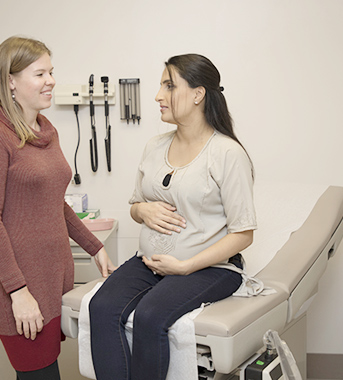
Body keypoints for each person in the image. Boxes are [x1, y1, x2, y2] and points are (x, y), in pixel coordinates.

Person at [89, 54, 257, 380]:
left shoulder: (226, 154)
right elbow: (135, 206)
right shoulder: (154, 146)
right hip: (151, 263)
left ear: (198, 94)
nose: (157, 96)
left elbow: (244, 233)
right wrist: (143, 210)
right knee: (101, 307)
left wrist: (185, 266)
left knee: (151, 315)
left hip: (210, 269)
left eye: (169, 86)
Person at [0, 36, 115, 380]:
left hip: (52, 278)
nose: (51, 81)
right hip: (19, 285)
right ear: (10, 81)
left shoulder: (45, 131)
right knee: (39, 374)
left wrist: (96, 247)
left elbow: (55, 204)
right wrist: (18, 293)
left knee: (48, 371)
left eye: (51, 72)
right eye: (40, 74)